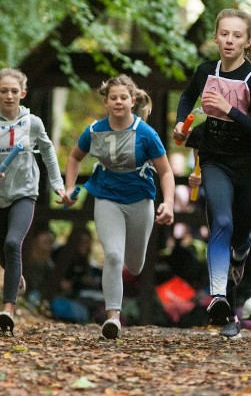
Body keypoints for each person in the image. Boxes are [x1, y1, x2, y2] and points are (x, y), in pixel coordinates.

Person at [173, 8, 251, 339]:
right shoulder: (206, 71)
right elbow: (186, 97)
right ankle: (219, 298)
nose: (229, 40)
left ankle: (241, 251)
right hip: (215, 161)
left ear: (247, 41)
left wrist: (228, 110)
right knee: (221, 222)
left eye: (237, 35)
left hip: (249, 166)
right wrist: (182, 122)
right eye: (224, 34)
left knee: (240, 238)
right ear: (215, 36)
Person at [63, 74, 175, 340]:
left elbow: (166, 172)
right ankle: (113, 317)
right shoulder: (95, 131)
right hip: (107, 198)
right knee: (113, 255)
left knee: (134, 266)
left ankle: (128, 273)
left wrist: (168, 203)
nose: (118, 102)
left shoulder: (146, 134)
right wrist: (69, 188)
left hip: (139, 200)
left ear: (132, 101)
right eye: (113, 97)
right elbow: (74, 157)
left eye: (123, 97)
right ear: (106, 101)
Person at [0, 67, 67, 334]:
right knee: (5, 258)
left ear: (23, 93)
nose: (9, 96)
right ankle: (13, 274)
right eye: (3, 91)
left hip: (24, 193)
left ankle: (7, 309)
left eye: (13, 91)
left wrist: (57, 184)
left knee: (13, 243)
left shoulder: (33, 123)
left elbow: (48, 153)